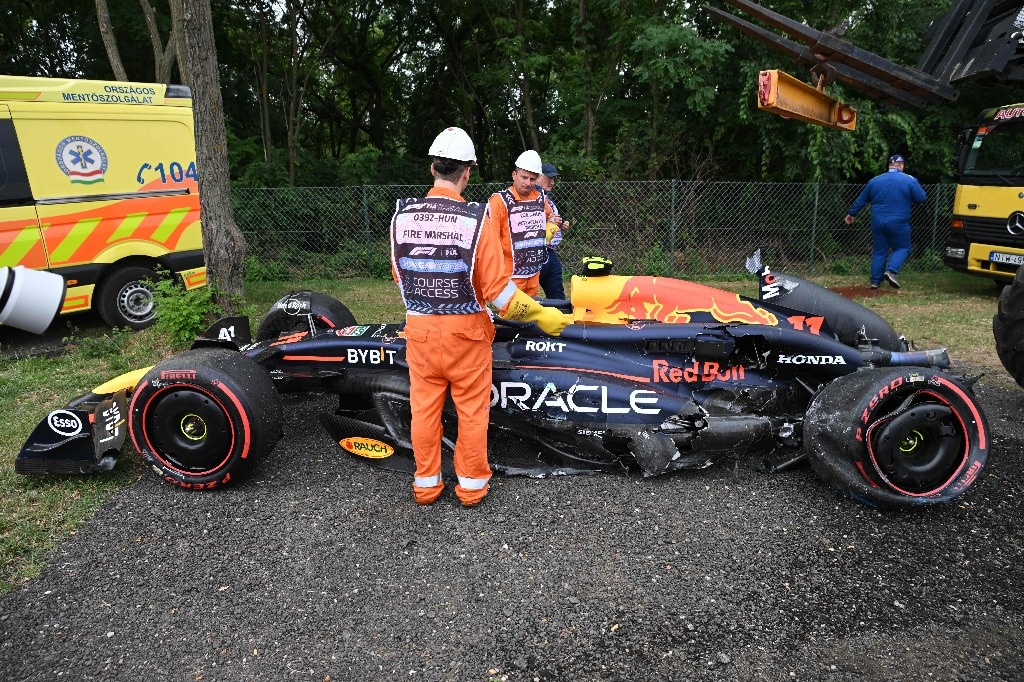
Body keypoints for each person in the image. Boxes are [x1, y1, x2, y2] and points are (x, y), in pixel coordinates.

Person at [390, 127, 571, 507]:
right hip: (466, 335)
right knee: (472, 412)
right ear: (468, 172)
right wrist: (541, 314)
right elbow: (500, 294)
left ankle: (426, 485)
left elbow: (400, 274)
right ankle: (471, 487)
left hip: (420, 332)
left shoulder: (401, 216)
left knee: (424, 410)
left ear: (432, 168)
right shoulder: (475, 220)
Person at [844, 154, 927, 289]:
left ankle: (875, 282)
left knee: (879, 251)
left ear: (889, 165)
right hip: (899, 221)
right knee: (902, 247)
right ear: (901, 165)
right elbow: (921, 197)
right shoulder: (909, 180)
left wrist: (852, 214)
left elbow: (862, 199)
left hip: (877, 221)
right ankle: (891, 271)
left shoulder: (875, 180)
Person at [487, 150, 557, 295]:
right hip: (511, 276)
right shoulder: (500, 201)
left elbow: (551, 217)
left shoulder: (540, 198)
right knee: (512, 316)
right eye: (524, 177)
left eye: (532, 179)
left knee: (530, 313)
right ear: (514, 175)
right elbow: (491, 239)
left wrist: (549, 230)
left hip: (534, 272)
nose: (527, 183)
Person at [536, 162, 569, 300]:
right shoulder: (533, 197)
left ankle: (562, 317)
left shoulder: (547, 198)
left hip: (551, 253)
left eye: (554, 179)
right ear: (538, 176)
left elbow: (551, 221)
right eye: (549, 178)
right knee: (529, 297)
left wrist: (560, 225)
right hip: (537, 254)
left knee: (557, 296)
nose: (552, 182)